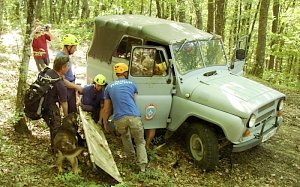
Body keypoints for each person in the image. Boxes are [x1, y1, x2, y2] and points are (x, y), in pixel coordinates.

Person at [102, 63, 148, 172]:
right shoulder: (132, 84)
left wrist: (105, 123)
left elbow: (106, 109)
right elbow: (135, 101)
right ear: (126, 73)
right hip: (133, 116)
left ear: (117, 73)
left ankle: (130, 159)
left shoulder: (109, 87)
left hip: (119, 118)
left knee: (125, 136)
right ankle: (142, 167)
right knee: (140, 141)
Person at [42, 55, 69, 152]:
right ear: (63, 68)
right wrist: (66, 117)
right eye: (67, 66)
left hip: (42, 105)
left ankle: (54, 148)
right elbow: (64, 102)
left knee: (52, 127)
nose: (68, 68)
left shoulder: (48, 72)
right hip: (50, 108)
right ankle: (56, 150)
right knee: (56, 129)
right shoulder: (59, 84)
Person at [55, 34, 79, 114]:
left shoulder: (64, 56)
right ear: (69, 47)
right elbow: (61, 79)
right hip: (67, 90)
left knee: (73, 111)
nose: (75, 50)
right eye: (74, 47)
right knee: (71, 113)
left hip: (70, 88)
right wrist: (77, 87)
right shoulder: (61, 58)